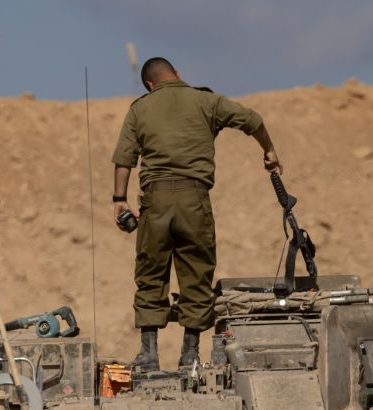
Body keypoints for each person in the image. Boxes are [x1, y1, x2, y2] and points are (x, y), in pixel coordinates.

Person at [111, 57, 283, 371]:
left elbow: (124, 158)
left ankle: (149, 354)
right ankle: (189, 355)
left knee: (150, 275)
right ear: (177, 74)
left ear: (150, 85)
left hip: (156, 202)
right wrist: (268, 150)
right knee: (197, 275)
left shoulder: (140, 108)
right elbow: (253, 120)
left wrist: (119, 199)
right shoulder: (206, 101)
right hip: (195, 200)